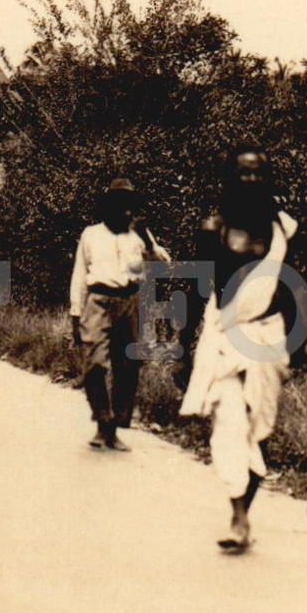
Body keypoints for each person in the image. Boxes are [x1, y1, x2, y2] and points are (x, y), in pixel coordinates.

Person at [176, 147, 307, 551]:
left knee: (261, 426)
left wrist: (305, 338)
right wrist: (183, 348)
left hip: (270, 334)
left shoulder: (282, 229)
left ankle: (245, 512)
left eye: (258, 174)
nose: (250, 180)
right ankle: (237, 516)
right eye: (242, 173)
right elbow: (193, 288)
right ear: (229, 178)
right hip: (224, 335)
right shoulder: (213, 229)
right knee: (229, 423)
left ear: (268, 178)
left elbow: (293, 284)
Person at [69, 178, 169, 451]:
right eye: (118, 205)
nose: (124, 212)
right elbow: (79, 275)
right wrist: (75, 315)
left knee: (127, 366)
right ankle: (102, 421)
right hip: (98, 301)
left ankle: (114, 428)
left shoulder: (138, 236)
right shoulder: (91, 234)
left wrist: (147, 236)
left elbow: (162, 263)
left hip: (130, 302)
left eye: (128, 206)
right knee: (95, 363)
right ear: (107, 207)